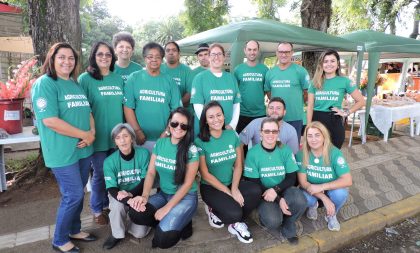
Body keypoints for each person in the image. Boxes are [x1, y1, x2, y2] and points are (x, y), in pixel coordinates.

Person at [32, 42, 96, 253]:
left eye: (71, 58)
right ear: (52, 58)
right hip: (62, 151)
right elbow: (50, 120)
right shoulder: (46, 83)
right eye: (62, 57)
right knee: (73, 194)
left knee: (78, 194)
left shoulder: (75, 84)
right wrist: (83, 134)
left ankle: (75, 229)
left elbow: (88, 112)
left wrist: (92, 134)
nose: (67, 61)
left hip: (83, 148)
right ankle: (59, 239)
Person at [128, 107, 199, 249]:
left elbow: (187, 184)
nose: (178, 128)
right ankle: (174, 222)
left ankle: (182, 221)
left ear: (188, 128)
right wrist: (144, 196)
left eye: (183, 125)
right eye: (174, 123)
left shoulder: (191, 150)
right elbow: (150, 173)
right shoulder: (160, 144)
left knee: (163, 241)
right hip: (164, 194)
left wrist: (167, 208)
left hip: (186, 197)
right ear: (169, 123)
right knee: (136, 213)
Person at [194, 101, 261, 244]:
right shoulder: (200, 141)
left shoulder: (231, 135)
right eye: (211, 117)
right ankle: (214, 211)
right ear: (205, 120)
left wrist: (235, 188)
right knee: (235, 212)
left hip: (232, 182)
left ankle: (236, 222)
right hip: (211, 187)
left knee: (255, 190)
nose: (216, 119)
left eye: (219, 115)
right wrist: (229, 193)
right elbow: (205, 175)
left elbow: (238, 165)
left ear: (224, 116)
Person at [79, 41, 124, 225]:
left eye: (108, 54)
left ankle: (111, 205)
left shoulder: (118, 79)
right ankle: (97, 209)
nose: (104, 57)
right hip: (97, 136)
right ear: (93, 57)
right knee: (99, 173)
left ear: (112, 58)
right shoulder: (85, 79)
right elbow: (82, 109)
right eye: (100, 54)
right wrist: (86, 133)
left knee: (116, 173)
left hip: (118, 137)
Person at [244, 118, 307, 245]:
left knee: (300, 200)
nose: (270, 134)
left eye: (274, 131)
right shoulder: (252, 153)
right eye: (267, 131)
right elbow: (254, 183)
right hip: (264, 194)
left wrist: (276, 191)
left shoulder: (285, 150)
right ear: (261, 133)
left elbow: (291, 177)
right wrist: (279, 199)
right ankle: (265, 215)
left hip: (282, 189)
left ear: (278, 133)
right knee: (273, 222)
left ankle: (289, 224)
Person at [124, 42, 182, 152]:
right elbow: (128, 107)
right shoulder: (134, 78)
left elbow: (177, 112)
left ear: (162, 59)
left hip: (164, 138)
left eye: (158, 57)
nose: (154, 60)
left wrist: (167, 132)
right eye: (150, 57)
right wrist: (137, 130)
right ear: (145, 58)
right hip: (140, 138)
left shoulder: (169, 81)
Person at [296, 121, 353, 232]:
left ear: (324, 136)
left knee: (341, 193)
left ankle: (331, 214)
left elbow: (347, 180)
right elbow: (303, 183)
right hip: (310, 188)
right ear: (306, 138)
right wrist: (324, 198)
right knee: (304, 199)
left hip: (330, 187)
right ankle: (314, 204)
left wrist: (322, 186)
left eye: (317, 135)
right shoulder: (301, 153)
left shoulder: (334, 153)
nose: (313, 139)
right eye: (310, 136)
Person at [102, 123, 151, 250]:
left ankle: (131, 219)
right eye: (118, 138)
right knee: (118, 206)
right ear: (115, 142)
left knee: (140, 233)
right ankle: (116, 234)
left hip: (139, 192)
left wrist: (132, 195)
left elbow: (145, 180)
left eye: (125, 136)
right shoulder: (109, 162)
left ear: (132, 138)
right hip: (119, 194)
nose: (122, 140)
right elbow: (112, 189)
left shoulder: (144, 154)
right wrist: (128, 200)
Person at [306, 49, 365, 149]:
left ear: (338, 64)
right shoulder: (314, 82)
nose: (329, 64)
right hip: (317, 121)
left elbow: (361, 101)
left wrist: (346, 112)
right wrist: (308, 126)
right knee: (316, 154)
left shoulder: (345, 81)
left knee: (333, 154)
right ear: (321, 64)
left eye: (332, 61)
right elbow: (310, 106)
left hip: (334, 121)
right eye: (326, 61)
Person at [264, 42, 310, 139]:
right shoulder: (270, 73)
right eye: (281, 52)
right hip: (275, 118)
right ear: (277, 53)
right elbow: (269, 94)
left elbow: (306, 93)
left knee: (293, 149)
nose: (284, 55)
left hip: (295, 118)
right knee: (275, 147)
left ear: (292, 52)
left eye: (287, 52)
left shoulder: (300, 71)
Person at [191, 43, 241, 130]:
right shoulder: (199, 78)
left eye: (219, 54)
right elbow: (198, 106)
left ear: (224, 57)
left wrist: (232, 125)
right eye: (213, 54)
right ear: (209, 57)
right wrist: (211, 126)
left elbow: (236, 104)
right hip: (208, 129)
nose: (216, 57)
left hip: (228, 129)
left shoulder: (231, 78)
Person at [234, 40, 268, 133]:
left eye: (254, 50)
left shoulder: (264, 69)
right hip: (242, 113)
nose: (252, 52)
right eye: (249, 49)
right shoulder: (238, 69)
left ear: (258, 51)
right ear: (245, 50)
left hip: (260, 113)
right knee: (242, 144)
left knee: (259, 143)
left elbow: (265, 90)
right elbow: (235, 90)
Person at [161, 41, 193, 108]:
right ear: (164, 54)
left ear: (179, 53)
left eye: (174, 50)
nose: (171, 53)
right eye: (168, 50)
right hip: (161, 108)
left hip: (181, 110)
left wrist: (177, 104)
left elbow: (190, 93)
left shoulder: (187, 70)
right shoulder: (159, 68)